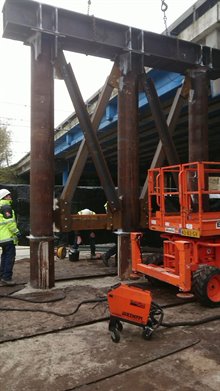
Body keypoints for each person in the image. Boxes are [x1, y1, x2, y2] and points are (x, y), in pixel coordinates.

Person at [0, 189, 20, 285]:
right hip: (8, 237)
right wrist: (17, 232)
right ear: (4, 197)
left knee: (4, 256)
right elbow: (9, 223)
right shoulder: (6, 207)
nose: (10, 197)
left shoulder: (1, 206)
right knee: (9, 258)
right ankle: (7, 278)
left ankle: (2, 275)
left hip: (2, 238)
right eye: (8, 195)